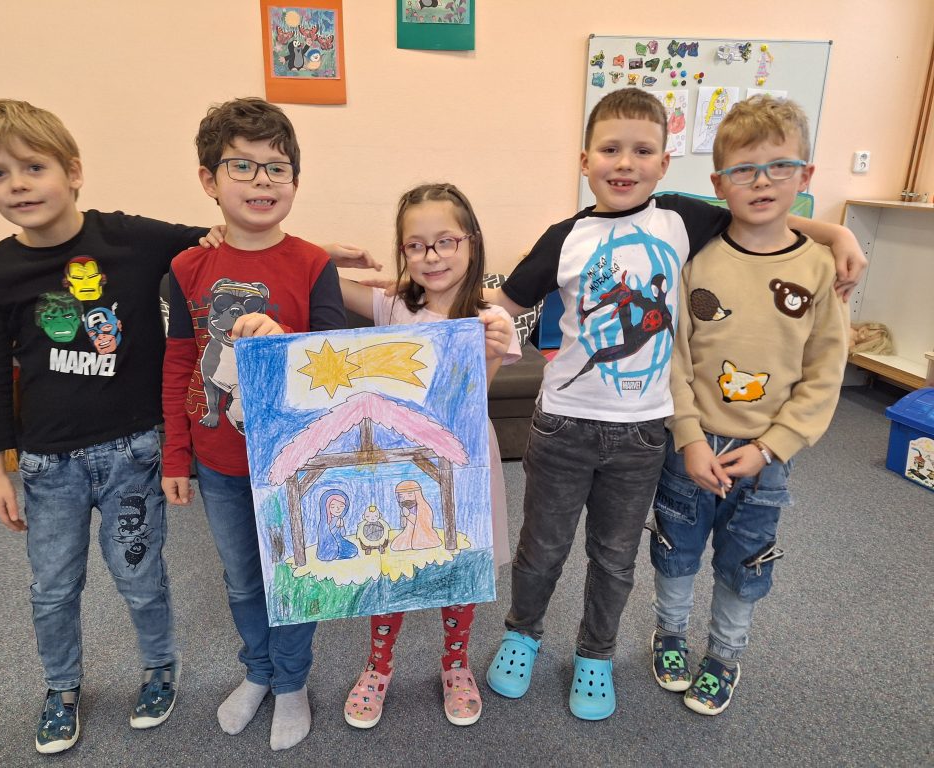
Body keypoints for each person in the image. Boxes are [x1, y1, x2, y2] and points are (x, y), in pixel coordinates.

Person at [482, 87, 867, 721]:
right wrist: (477, 326)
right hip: (562, 426)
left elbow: (760, 212)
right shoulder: (564, 237)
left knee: (614, 557)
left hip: (642, 435)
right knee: (542, 548)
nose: (624, 163)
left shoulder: (682, 219)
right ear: (585, 160)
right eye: (610, 149)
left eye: (643, 151)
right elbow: (505, 305)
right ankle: (522, 633)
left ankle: (597, 653)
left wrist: (836, 232)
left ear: (665, 164)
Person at [0, 99, 209, 754]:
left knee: (139, 576)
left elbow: (222, 242)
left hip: (133, 452)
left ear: (72, 172)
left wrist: (307, 256)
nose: (17, 185)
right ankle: (61, 687)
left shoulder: (129, 238)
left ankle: (159, 669)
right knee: (52, 587)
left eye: (33, 167)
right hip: (49, 465)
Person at [648, 95, 847, 715]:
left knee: (745, 563)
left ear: (805, 176)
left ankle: (724, 656)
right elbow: (674, 355)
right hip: (692, 447)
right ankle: (670, 636)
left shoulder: (819, 268)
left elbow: (824, 372)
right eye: (744, 170)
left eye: (779, 167)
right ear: (718, 185)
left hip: (765, 458)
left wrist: (772, 447)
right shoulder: (696, 259)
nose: (762, 182)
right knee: (675, 551)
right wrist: (688, 436)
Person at [161, 97, 344, 751]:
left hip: (293, 462)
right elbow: (178, 363)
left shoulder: (313, 264)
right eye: (242, 166)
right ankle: (259, 671)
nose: (262, 181)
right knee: (242, 579)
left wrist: (282, 338)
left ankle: (292, 682)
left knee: (294, 578)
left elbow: (335, 361)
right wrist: (175, 455)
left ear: (295, 179)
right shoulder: (188, 267)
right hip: (218, 462)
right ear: (209, 180)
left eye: (277, 168)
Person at [335, 183, 520, 729]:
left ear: (472, 242)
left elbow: (473, 401)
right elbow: (313, 275)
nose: (431, 256)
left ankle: (456, 665)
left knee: (459, 565)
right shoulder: (391, 305)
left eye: (445, 241)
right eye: (415, 246)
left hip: (461, 461)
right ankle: (378, 665)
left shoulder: (489, 318)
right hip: (396, 462)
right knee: (388, 564)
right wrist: (330, 252)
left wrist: (491, 349)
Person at [317, 489, 359, 561]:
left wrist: (341, 526)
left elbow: (342, 534)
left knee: (353, 550)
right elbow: (327, 535)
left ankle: (338, 554)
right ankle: (334, 554)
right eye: (333, 507)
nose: (337, 509)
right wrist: (336, 526)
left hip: (339, 541)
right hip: (329, 544)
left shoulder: (338, 519)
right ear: (327, 508)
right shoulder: (325, 522)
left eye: (341, 506)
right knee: (332, 551)